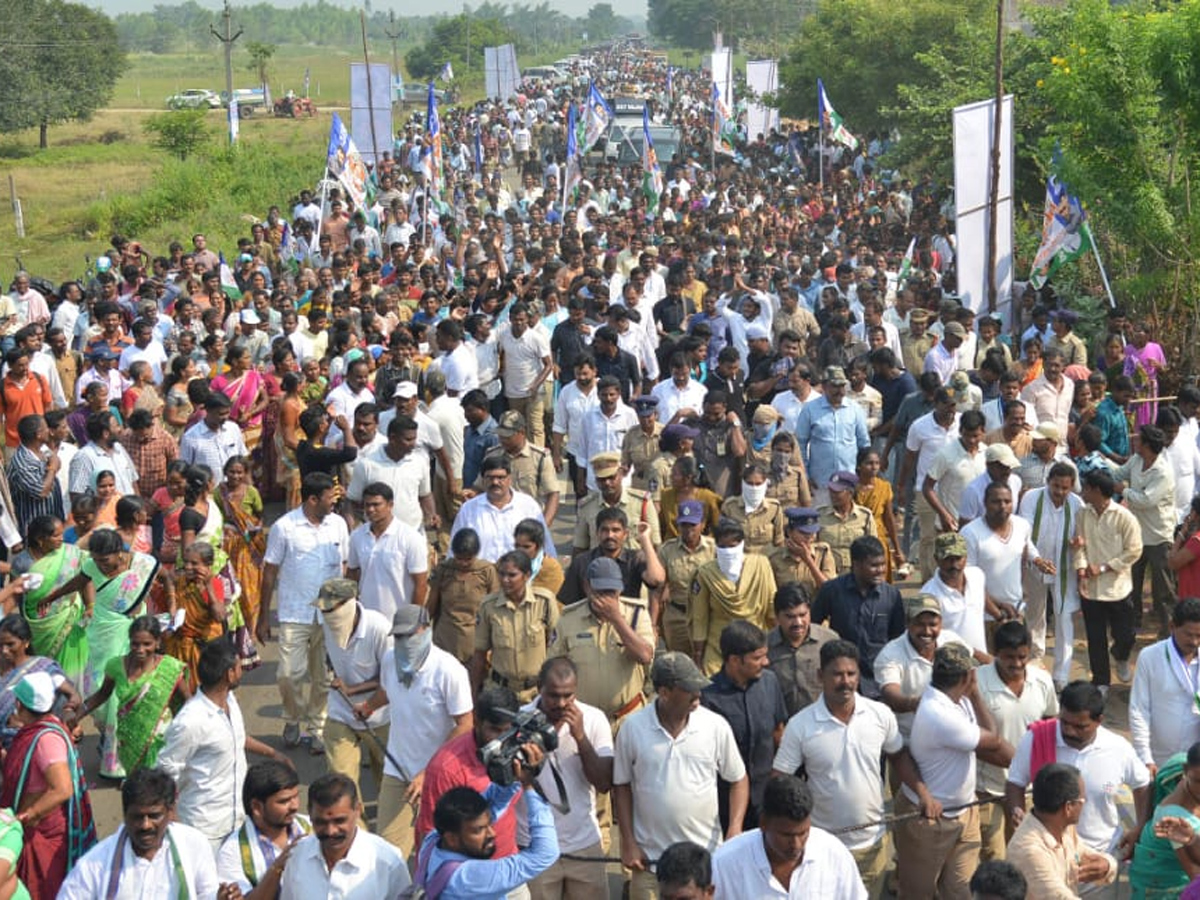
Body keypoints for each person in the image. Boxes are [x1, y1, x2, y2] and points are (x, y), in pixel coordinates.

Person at [772, 639, 932, 897]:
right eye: (836, 674)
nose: (845, 681)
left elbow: (899, 757)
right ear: (819, 675)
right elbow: (780, 780)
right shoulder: (800, 725)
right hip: (823, 847)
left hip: (873, 846)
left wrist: (923, 794)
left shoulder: (880, 714)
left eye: (851, 674)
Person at [38, 527, 174, 778]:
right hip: (101, 632)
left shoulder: (143, 564)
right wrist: (52, 596)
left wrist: (173, 606)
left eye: (105, 560)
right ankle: (109, 736)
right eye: (97, 560)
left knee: (122, 693)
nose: (100, 565)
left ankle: (118, 761)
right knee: (97, 690)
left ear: (119, 554)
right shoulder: (92, 566)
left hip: (132, 633)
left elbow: (165, 577)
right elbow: (80, 581)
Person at [614, 652, 749, 900]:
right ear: (664, 692)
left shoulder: (715, 726)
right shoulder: (632, 728)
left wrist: (735, 828)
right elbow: (621, 786)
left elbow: (738, 779)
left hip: (704, 866)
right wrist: (628, 842)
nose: (698, 695)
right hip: (650, 865)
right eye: (690, 689)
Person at [894, 643, 1015, 900]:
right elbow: (993, 739)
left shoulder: (950, 698)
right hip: (929, 821)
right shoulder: (940, 713)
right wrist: (977, 695)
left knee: (962, 891)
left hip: (964, 814)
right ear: (967, 677)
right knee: (919, 894)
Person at [353, 605, 473, 857]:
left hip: (441, 777)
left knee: (437, 853)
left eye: (410, 635)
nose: (404, 643)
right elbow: (387, 691)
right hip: (397, 771)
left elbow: (465, 724)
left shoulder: (449, 671)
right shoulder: (390, 660)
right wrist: (369, 707)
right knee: (388, 851)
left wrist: (429, 771)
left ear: (426, 630)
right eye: (398, 637)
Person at [158, 638, 292, 852]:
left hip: (237, 818)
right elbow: (165, 770)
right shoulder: (191, 721)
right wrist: (171, 816)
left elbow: (237, 738)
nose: (242, 671)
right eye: (239, 667)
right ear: (229, 674)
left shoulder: (229, 701)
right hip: (204, 828)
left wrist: (273, 754)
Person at [1005, 681, 1151, 863]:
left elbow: (1143, 783)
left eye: (1080, 726)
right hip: (1049, 855)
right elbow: (1015, 782)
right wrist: (1017, 811)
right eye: (1064, 722)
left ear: (1099, 721)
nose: (1069, 731)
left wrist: (1140, 827)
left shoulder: (1118, 748)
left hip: (1101, 857)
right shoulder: (1037, 740)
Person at [259, 472, 349, 753]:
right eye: (328, 499)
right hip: (294, 612)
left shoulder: (338, 525)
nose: (333, 504)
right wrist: (263, 616)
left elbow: (344, 567)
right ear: (312, 499)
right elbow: (270, 571)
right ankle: (293, 716)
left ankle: (317, 728)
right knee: (288, 674)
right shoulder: (284, 527)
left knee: (322, 677)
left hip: (330, 615)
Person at [523, 657, 614, 899]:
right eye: (553, 695)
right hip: (536, 847)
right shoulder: (520, 720)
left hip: (583, 846)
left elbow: (604, 783)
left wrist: (581, 737)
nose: (561, 703)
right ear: (539, 688)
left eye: (568, 695)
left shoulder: (594, 719)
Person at [58, 767, 220, 900]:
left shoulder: (193, 844)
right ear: (125, 814)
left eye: (154, 816)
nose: (145, 825)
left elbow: (208, 893)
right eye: (137, 817)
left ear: (170, 812)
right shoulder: (95, 864)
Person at [0, 671, 95, 898]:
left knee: (42, 886)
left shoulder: (46, 740)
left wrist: (29, 814)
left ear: (20, 705)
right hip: (33, 824)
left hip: (42, 829)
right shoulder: (43, 728)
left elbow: (62, 788)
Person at [975, 622, 1060, 862]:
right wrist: (1017, 761)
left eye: (1022, 657)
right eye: (1009, 657)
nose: (1017, 664)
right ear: (995, 652)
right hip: (987, 788)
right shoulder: (976, 683)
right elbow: (973, 740)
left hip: (1029, 790)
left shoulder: (1042, 680)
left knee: (1027, 856)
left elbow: (1051, 723)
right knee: (994, 857)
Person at [415, 761, 558, 900]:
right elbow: (545, 853)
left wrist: (512, 776)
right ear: (452, 839)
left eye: (489, 825)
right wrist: (529, 786)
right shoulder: (469, 878)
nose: (492, 833)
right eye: (479, 831)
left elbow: (485, 808)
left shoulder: (432, 841)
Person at [711, 773, 867, 898]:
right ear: (763, 823)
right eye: (786, 835)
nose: (797, 845)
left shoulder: (834, 855)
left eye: (803, 833)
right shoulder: (724, 864)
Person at [415, 687, 524, 859]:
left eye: (508, 732)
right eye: (494, 730)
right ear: (476, 721)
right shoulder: (445, 769)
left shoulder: (516, 747)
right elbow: (430, 835)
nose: (501, 742)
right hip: (467, 876)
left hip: (508, 863)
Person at [701, 622, 789, 830]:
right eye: (757, 658)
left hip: (765, 800)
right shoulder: (708, 697)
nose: (766, 662)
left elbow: (778, 732)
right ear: (734, 660)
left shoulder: (770, 683)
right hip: (724, 805)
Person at [73, 616, 188, 774]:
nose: (140, 650)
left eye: (147, 644)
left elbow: (189, 703)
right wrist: (76, 716)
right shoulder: (115, 666)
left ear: (157, 643)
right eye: (135, 643)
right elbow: (102, 695)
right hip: (129, 745)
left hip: (162, 744)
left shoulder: (170, 668)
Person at [549, 556, 655, 727]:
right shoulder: (568, 619)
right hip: (585, 720)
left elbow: (645, 656)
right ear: (586, 586)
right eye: (600, 592)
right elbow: (553, 667)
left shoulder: (636, 614)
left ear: (620, 590)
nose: (606, 599)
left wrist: (617, 619)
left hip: (628, 717)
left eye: (611, 592)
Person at [316, 578, 391, 819]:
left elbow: (392, 680)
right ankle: (356, 835)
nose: (327, 614)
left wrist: (355, 691)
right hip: (341, 712)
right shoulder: (325, 622)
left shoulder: (379, 628)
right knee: (341, 782)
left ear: (350, 603)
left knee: (388, 781)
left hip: (381, 716)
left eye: (332, 609)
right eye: (323, 609)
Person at [280, 772, 411, 899]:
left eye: (339, 821)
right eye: (321, 822)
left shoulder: (388, 862)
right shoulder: (297, 856)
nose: (331, 831)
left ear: (358, 810)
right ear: (310, 813)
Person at [1074, 468, 1143, 691]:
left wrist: (1105, 567)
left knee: (1126, 634)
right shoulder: (1083, 514)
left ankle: (1121, 655)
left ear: (1096, 490)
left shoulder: (1124, 517)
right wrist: (1082, 569)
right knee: (1095, 639)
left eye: (1086, 488)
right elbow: (1079, 547)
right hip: (1091, 590)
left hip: (1118, 588)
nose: (1082, 492)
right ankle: (1101, 682)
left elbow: (1134, 551)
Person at [811, 536, 904, 698]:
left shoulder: (892, 596)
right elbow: (812, 627)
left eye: (883, 564)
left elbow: (898, 639)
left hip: (879, 683)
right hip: (842, 682)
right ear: (856, 565)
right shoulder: (832, 591)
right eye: (874, 565)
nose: (881, 570)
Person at [1006, 762, 1118, 898]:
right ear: (1068, 807)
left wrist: (1107, 865)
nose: (1085, 802)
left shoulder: (1063, 828)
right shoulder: (1029, 851)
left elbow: (1086, 855)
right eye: (1082, 800)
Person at [1018, 461, 1083, 686]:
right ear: (1048, 483)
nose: (1060, 492)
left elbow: (1082, 536)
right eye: (1056, 487)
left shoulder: (1077, 504)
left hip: (1064, 569)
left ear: (1072, 486)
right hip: (1034, 564)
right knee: (1035, 614)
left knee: (1064, 617)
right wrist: (1036, 560)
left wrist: (1078, 543)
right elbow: (1023, 535)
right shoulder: (1031, 498)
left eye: (1065, 488)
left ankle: (1061, 676)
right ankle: (1035, 660)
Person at [690, 518, 778, 675]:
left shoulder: (761, 565)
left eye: (732, 547)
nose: (728, 552)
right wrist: (698, 656)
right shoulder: (705, 574)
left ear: (742, 544)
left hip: (755, 643)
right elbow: (699, 618)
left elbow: (771, 607)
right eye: (722, 547)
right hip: (718, 647)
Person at [470, 550, 559, 701]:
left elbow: (557, 649)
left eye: (512, 575)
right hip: (499, 691)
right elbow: (479, 654)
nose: (505, 580)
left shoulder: (544, 602)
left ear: (527, 575)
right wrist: (473, 696)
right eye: (502, 574)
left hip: (536, 693)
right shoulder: (488, 606)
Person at [1115, 423, 1177, 637]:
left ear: (1148, 445)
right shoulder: (1136, 460)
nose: (1135, 441)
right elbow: (1118, 473)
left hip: (1159, 536)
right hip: (1136, 534)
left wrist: (1124, 491)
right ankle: (1132, 624)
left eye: (1139, 439)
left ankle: (1168, 630)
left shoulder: (1162, 472)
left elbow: (1146, 500)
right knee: (1132, 582)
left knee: (1163, 589)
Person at [215, 760, 310, 898]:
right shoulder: (233, 851)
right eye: (284, 801)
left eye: (296, 796)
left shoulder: (311, 828)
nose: (294, 806)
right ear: (257, 807)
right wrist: (278, 866)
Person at [13, 515, 88, 686]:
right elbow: (18, 597)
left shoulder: (70, 553)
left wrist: (90, 605)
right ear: (40, 540)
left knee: (71, 669)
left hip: (69, 617)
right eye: (56, 535)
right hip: (38, 625)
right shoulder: (22, 563)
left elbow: (85, 578)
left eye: (62, 534)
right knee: (44, 670)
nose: (62, 538)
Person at [1129, 597, 1200, 773]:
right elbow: (1139, 709)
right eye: (1189, 634)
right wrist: (1145, 757)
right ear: (1172, 627)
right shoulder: (1150, 657)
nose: (1194, 642)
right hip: (1159, 761)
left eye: (1199, 635)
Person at [346, 481, 429, 622]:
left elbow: (421, 584)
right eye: (367, 505)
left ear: (390, 505)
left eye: (376, 504)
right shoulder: (357, 536)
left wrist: (412, 620)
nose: (371, 509)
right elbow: (352, 575)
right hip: (366, 619)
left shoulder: (410, 538)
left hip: (398, 620)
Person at [451, 455, 552, 564]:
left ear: (509, 479)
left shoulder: (528, 506)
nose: (495, 482)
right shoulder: (469, 509)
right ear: (483, 480)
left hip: (521, 578)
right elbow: (455, 548)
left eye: (500, 478)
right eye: (490, 478)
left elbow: (545, 545)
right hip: (481, 577)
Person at [794, 366, 871, 497]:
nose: (840, 391)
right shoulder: (810, 409)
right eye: (835, 386)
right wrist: (805, 475)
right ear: (824, 386)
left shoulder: (855, 409)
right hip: (820, 482)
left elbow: (864, 444)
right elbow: (799, 445)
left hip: (848, 482)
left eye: (842, 386)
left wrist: (859, 476)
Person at [428, 528, 499, 664]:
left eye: (468, 559)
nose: (463, 563)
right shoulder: (444, 570)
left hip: (475, 641)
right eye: (459, 558)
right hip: (445, 638)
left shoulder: (487, 571)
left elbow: (494, 608)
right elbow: (431, 604)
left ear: (476, 554)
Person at [767, 583, 838, 718]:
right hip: (782, 728)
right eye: (790, 616)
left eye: (802, 615)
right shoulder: (765, 647)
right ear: (777, 616)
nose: (798, 622)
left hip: (822, 723)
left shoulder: (829, 641)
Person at [218, 455, 267, 652]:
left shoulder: (252, 493)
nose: (236, 476)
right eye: (232, 472)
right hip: (227, 546)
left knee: (249, 590)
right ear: (225, 473)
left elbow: (260, 517)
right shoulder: (218, 493)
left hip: (247, 548)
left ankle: (251, 631)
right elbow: (215, 518)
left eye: (240, 472)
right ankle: (234, 633)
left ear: (245, 473)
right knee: (230, 589)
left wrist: (253, 530)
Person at [166, 541, 227, 688]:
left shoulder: (215, 584)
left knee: (204, 689)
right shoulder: (180, 580)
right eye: (186, 562)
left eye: (194, 563)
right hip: (180, 647)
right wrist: (172, 603)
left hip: (204, 649)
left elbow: (219, 616)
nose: (188, 567)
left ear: (208, 565)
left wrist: (208, 586)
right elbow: (168, 578)